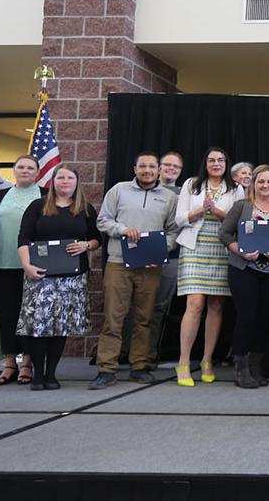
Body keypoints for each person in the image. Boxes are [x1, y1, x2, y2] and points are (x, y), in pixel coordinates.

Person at [89, 152, 179, 390]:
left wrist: (160, 251)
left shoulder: (169, 198)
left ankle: (140, 366)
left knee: (144, 318)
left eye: (152, 166)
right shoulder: (119, 190)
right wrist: (122, 229)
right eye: (143, 166)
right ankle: (106, 369)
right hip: (119, 263)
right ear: (135, 169)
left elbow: (173, 231)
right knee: (113, 317)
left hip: (150, 266)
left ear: (158, 170)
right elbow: (103, 221)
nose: (147, 170)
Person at [17, 164, 101, 390]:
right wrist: (26, 266)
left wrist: (86, 245)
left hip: (72, 278)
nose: (65, 181)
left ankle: (51, 374)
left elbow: (96, 239)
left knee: (60, 326)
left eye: (69, 178)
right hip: (39, 276)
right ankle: (37, 376)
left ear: (76, 182)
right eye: (60, 177)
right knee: (38, 326)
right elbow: (23, 239)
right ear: (53, 181)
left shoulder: (85, 209)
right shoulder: (37, 207)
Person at [174, 148, 246, 387]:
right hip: (194, 248)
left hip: (222, 250)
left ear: (227, 164)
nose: (216, 164)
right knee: (195, 303)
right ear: (205, 164)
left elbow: (240, 222)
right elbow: (179, 218)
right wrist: (199, 211)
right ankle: (183, 362)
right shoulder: (191, 185)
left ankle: (207, 360)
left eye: (221, 160)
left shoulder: (237, 189)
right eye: (211, 160)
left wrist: (216, 211)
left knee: (216, 305)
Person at [220, 165, 269, 389]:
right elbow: (224, 233)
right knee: (247, 317)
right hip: (243, 270)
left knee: (264, 319)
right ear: (253, 183)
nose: (265, 186)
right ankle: (240, 369)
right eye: (261, 181)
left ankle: (255, 366)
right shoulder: (241, 206)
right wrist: (239, 250)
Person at [0, 155, 44, 385]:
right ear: (14, 170)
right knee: (7, 316)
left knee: (30, 316)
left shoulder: (45, 194)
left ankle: (27, 364)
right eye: (21, 167)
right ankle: (9, 365)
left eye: (30, 167)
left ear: (37, 172)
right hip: (3, 263)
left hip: (34, 266)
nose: (25, 170)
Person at [147, 150, 186, 360]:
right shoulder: (146, 190)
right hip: (146, 256)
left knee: (162, 308)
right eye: (167, 165)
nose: (171, 169)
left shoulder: (186, 193)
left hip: (174, 257)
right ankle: (133, 354)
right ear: (159, 167)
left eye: (176, 167)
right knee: (142, 307)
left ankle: (153, 355)